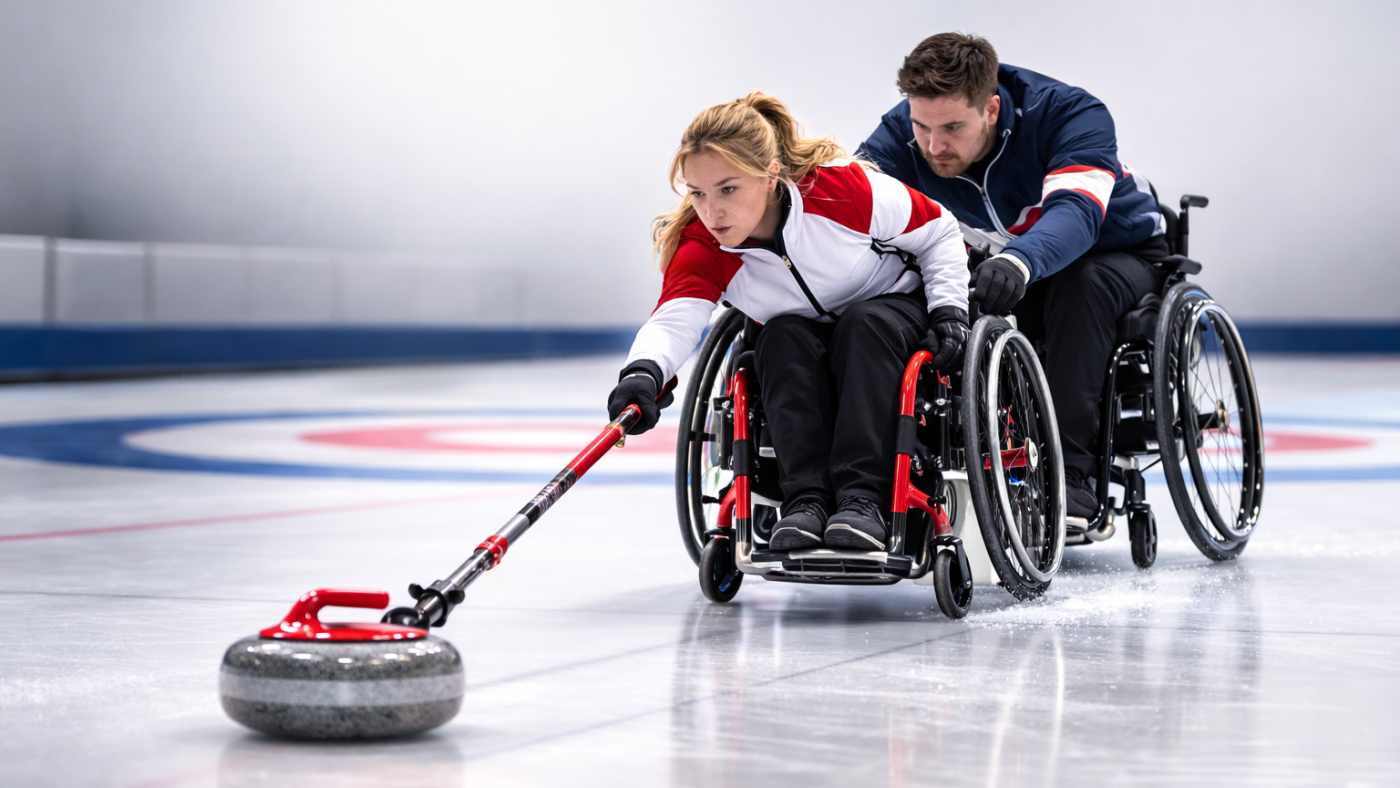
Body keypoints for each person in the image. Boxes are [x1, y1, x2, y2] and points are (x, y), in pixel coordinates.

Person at [607, 92, 969, 551]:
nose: (712, 212)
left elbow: (939, 230)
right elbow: (675, 318)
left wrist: (950, 312)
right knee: (778, 337)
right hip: (799, 329)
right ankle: (807, 502)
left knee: (863, 325)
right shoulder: (703, 246)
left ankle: (864, 500)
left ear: (770, 175)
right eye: (697, 193)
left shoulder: (841, 189)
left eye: (728, 189)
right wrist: (643, 372)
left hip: (890, 308)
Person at [858, 33, 1169, 525]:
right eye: (922, 126)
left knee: (1081, 286)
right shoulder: (902, 133)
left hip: (1118, 250)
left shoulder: (1067, 113)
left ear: (992, 109)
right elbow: (853, 203)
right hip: (1012, 260)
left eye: (952, 128)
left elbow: (1076, 211)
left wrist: (1019, 261)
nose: (934, 146)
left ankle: (1071, 477)